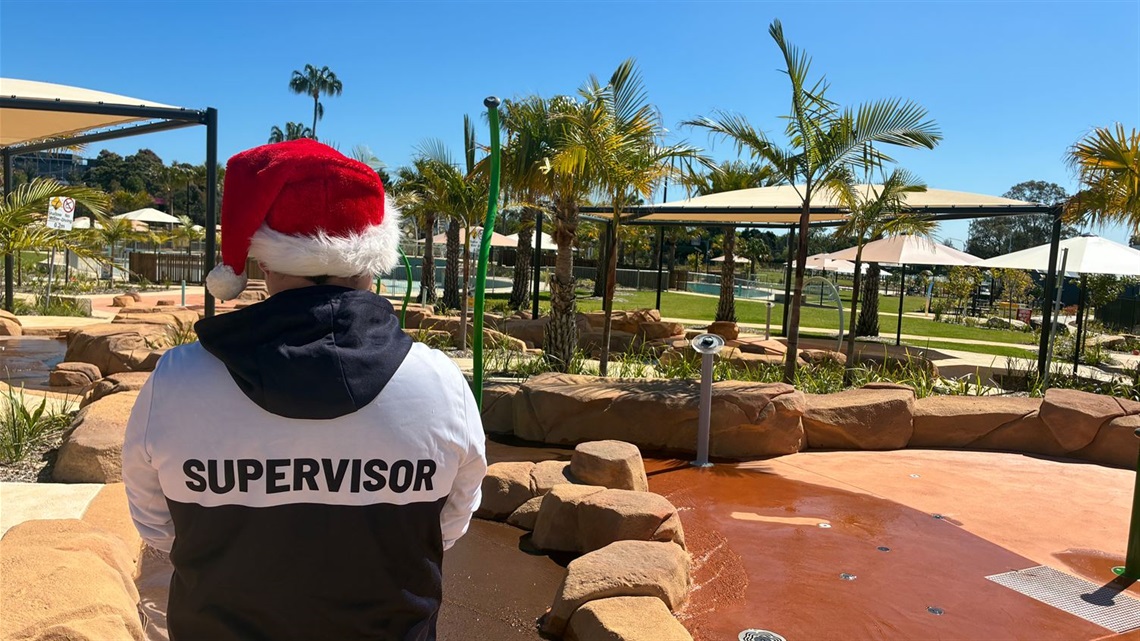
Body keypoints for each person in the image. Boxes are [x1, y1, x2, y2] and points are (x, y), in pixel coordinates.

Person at [122, 139, 486, 641]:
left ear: (262, 260)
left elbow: (157, 528)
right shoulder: (441, 384)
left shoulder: (178, 379)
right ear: (372, 257)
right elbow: (448, 526)